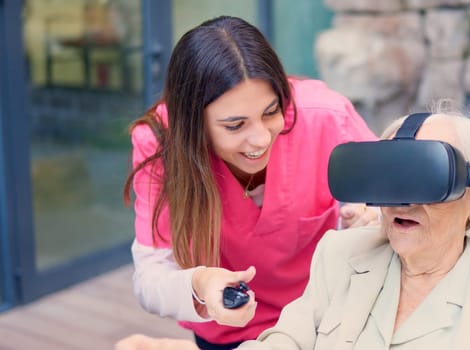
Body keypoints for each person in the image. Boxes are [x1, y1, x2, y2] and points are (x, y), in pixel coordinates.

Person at [122, 15, 378, 350]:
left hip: (320, 321)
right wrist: (200, 283)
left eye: (271, 112)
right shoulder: (160, 142)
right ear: (192, 123)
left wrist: (370, 221)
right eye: (235, 125)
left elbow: (391, 209)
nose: (260, 139)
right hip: (227, 331)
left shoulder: (327, 117)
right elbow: (150, 280)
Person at [231, 110, 470, 349]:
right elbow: (287, 339)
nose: (401, 202)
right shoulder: (340, 253)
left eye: (425, 178)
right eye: (390, 178)